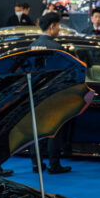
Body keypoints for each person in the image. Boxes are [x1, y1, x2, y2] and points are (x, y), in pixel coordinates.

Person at [29, 12, 72, 175]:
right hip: (52, 95)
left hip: (35, 94)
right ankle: (54, 164)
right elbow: (64, 73)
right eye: (59, 25)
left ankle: (36, 164)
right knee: (54, 130)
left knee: (36, 131)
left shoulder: (31, 46)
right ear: (52, 26)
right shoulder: (57, 48)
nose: (59, 29)